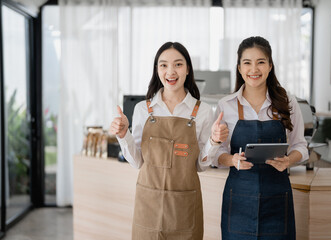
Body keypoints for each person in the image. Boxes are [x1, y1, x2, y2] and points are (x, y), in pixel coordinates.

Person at [110, 42, 228, 239]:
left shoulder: (203, 112)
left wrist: (214, 142)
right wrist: (124, 135)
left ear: (188, 69)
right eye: (163, 65)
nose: (170, 71)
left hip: (185, 208)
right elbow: (137, 161)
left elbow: (200, 166)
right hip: (148, 205)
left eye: (178, 64)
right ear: (157, 70)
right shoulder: (142, 109)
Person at [209, 36, 309, 240]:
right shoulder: (225, 105)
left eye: (261, 62)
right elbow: (216, 154)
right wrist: (232, 160)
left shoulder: (287, 102)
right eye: (247, 63)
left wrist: (289, 160)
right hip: (238, 201)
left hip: (277, 201)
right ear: (239, 68)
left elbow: (301, 145)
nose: (254, 69)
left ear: (270, 66)